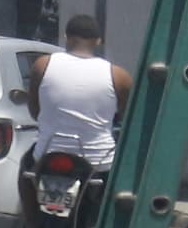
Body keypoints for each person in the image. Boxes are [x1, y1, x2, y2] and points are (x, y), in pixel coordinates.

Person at [26, 12, 129, 178]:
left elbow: (35, 112)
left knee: (26, 167)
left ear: (66, 37)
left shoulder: (42, 65)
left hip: (46, 155)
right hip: (98, 162)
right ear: (98, 41)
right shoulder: (118, 76)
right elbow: (128, 117)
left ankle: (29, 205)